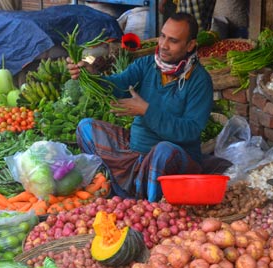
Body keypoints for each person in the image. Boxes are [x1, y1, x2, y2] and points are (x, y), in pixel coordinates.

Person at [67, 12, 213, 202]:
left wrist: (147, 111)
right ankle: (112, 189)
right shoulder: (147, 65)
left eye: (173, 41)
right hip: (135, 151)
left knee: (163, 151)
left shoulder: (199, 81)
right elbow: (117, 86)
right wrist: (89, 74)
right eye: (162, 36)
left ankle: (149, 208)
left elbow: (190, 131)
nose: (163, 45)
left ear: (190, 45)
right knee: (86, 128)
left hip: (174, 159)